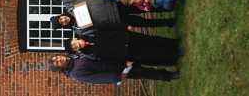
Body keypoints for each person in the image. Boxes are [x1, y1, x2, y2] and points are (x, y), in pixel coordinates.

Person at [47, 0, 176, 33]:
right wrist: (121, 28)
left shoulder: (71, 5)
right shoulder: (78, 28)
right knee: (144, 23)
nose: (64, 20)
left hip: (116, 4)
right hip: (117, 20)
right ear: (64, 26)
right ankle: (168, 22)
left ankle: (166, 8)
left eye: (61, 19)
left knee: (143, 6)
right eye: (62, 23)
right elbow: (100, 30)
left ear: (61, 15)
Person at [64, 29, 181, 66]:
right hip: (126, 52)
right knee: (151, 54)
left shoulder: (88, 33)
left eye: (73, 43)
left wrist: (123, 30)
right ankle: (173, 57)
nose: (76, 45)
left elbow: (106, 29)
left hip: (126, 38)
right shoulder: (90, 54)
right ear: (76, 50)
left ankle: (173, 43)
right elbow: (107, 60)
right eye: (74, 48)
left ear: (74, 39)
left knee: (151, 40)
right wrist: (124, 62)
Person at [49, 54, 179, 84]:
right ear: (60, 68)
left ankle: (170, 62)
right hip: (119, 70)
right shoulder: (76, 74)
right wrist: (124, 72)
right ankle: (169, 76)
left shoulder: (74, 56)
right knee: (145, 72)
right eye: (57, 62)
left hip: (118, 59)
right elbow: (99, 79)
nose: (59, 59)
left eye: (57, 57)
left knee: (144, 61)